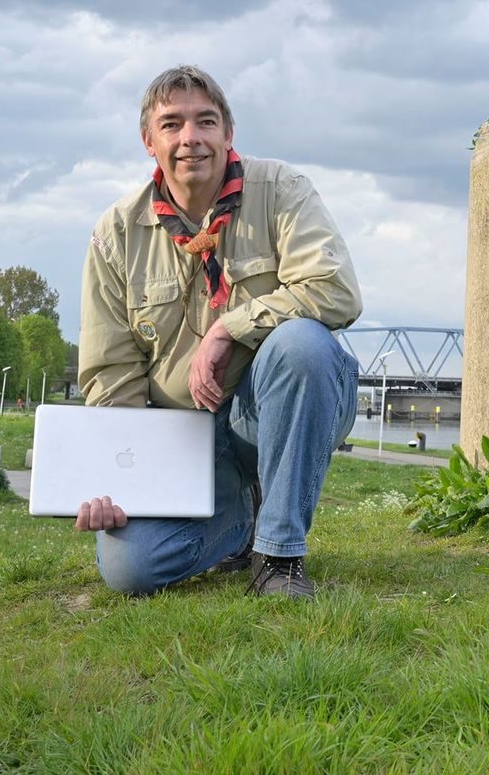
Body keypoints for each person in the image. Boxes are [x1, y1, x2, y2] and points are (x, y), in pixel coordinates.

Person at [74, 65, 363, 600]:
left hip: (269, 413)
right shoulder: (114, 234)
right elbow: (111, 374)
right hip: (181, 438)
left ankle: (278, 557)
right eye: (172, 124)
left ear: (228, 133)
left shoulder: (282, 190)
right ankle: (238, 523)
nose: (191, 138)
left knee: (303, 345)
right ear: (148, 141)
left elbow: (337, 290)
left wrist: (229, 328)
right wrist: (119, 478)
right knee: (131, 569)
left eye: (206, 121)